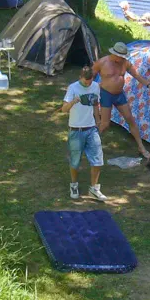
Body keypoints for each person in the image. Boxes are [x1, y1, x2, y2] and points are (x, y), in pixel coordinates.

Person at [94, 42, 150, 159]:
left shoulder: (125, 63)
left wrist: (149, 85)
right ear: (114, 54)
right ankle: (92, 143)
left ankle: (141, 147)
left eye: (124, 56)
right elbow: (89, 76)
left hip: (119, 95)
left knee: (130, 119)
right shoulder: (102, 62)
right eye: (120, 56)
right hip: (105, 94)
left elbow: (137, 75)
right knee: (105, 124)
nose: (122, 58)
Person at [61, 66, 106, 201]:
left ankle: (94, 188)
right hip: (76, 130)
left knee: (98, 160)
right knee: (75, 161)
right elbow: (64, 109)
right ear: (80, 77)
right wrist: (74, 101)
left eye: (90, 82)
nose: (88, 84)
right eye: (86, 82)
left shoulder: (96, 86)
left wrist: (98, 122)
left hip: (91, 129)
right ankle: (74, 185)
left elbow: (95, 104)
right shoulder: (72, 88)